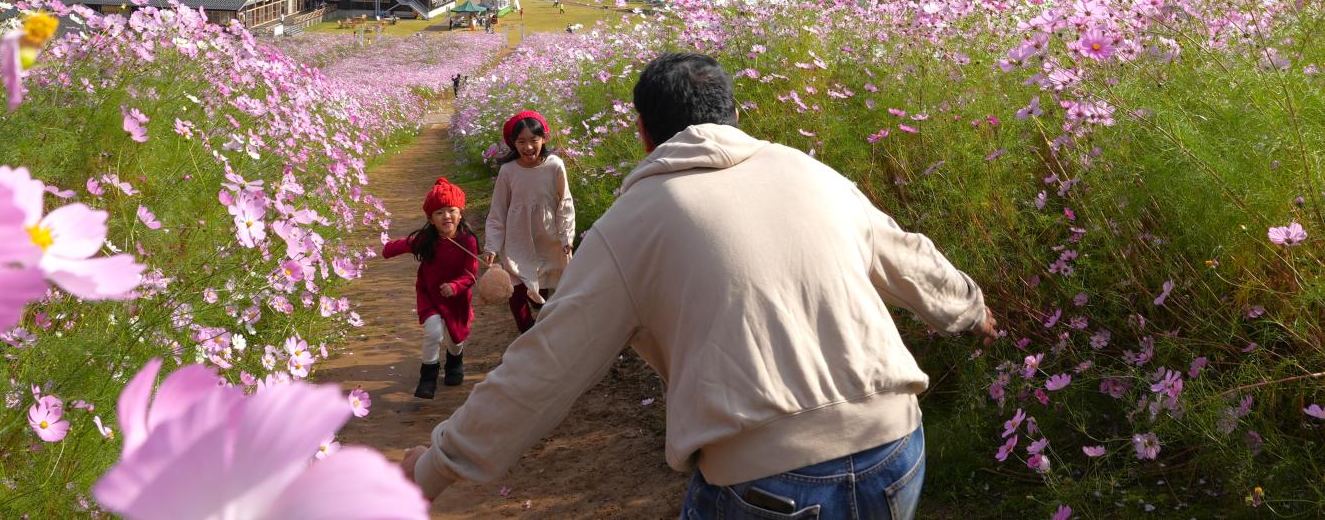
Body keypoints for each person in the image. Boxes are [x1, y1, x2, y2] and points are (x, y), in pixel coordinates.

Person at [403, 53, 996, 518]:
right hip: (897, 449)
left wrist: (432, 471)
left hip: (765, 481)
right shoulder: (810, 172)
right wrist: (970, 310)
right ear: (735, 114)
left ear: (642, 133)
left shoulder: (631, 225)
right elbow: (908, 256)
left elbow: (543, 365)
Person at [381, 177, 480, 399]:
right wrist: (387, 249)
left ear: (460, 213)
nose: (446, 216)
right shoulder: (427, 239)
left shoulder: (468, 241)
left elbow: (471, 275)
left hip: (457, 298)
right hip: (430, 294)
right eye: (439, 212)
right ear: (430, 219)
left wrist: (455, 287)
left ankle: (455, 361)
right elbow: (406, 244)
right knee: (433, 332)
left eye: (451, 210)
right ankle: (428, 377)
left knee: (456, 338)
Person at [481, 110, 575, 335]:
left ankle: (542, 329)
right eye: (521, 142)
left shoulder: (554, 166)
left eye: (534, 140)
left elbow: (565, 204)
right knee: (517, 291)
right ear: (513, 143)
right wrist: (492, 245)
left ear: (544, 138)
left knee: (542, 290)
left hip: (548, 237)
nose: (528, 147)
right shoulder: (508, 171)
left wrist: (566, 237)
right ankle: (527, 333)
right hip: (517, 238)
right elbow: (498, 211)